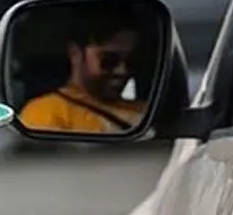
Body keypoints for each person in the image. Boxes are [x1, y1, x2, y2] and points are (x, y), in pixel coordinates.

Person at [18, 22, 147, 134]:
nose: (122, 71)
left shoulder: (147, 109)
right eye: (108, 60)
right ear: (75, 54)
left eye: (132, 62)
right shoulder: (46, 112)